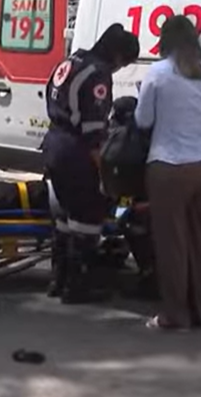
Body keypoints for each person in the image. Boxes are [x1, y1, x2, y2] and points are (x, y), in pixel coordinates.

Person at [134, 15, 201, 331]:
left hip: (168, 166)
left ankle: (175, 315)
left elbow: (143, 120)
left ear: (165, 41)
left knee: (172, 244)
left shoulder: (158, 74)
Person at [42, 23, 139, 305]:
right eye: (125, 63)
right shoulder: (98, 74)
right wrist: (106, 174)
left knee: (62, 218)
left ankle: (57, 280)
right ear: (118, 55)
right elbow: (94, 134)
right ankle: (78, 286)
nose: (121, 69)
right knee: (86, 219)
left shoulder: (70, 62)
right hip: (76, 151)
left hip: (54, 143)